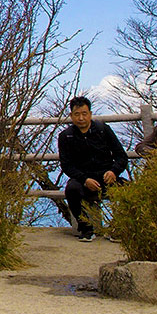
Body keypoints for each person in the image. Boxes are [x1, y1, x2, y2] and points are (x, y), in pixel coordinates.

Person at [58, 96, 129, 242]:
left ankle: (117, 228)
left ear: (90, 114)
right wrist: (84, 179)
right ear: (71, 116)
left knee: (129, 190)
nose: (81, 118)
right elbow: (67, 165)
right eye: (77, 114)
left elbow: (121, 156)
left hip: (107, 177)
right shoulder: (66, 136)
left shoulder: (103, 130)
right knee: (71, 189)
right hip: (83, 179)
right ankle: (86, 229)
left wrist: (114, 171)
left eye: (84, 114)